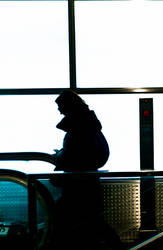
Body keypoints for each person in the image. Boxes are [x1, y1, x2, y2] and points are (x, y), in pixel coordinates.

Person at [49, 90, 124, 250]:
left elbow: (75, 155)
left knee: (62, 221)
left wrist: (59, 158)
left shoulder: (77, 129)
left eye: (60, 106)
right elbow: (81, 154)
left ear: (69, 106)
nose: (59, 111)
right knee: (95, 224)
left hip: (78, 187)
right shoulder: (88, 125)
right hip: (89, 185)